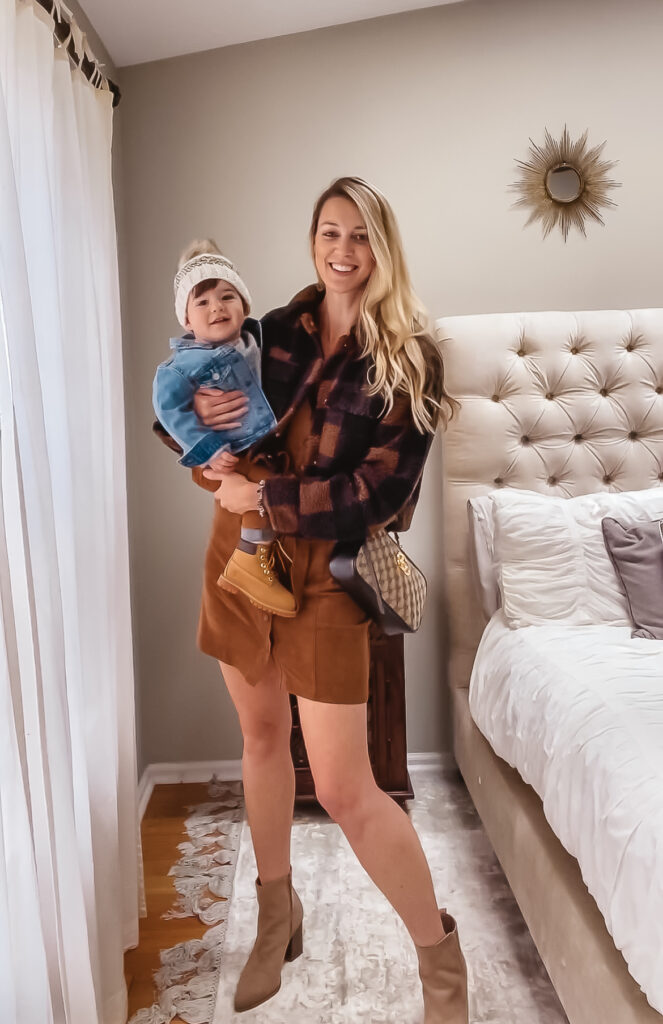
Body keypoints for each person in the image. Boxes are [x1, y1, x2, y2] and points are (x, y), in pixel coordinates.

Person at [154, 176, 468, 1022]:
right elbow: (185, 397)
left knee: (343, 789)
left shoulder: (411, 353)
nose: (341, 250)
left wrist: (267, 501)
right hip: (239, 563)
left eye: (360, 235)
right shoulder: (276, 327)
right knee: (259, 741)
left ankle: (440, 965)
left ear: (384, 246)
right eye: (329, 231)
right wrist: (202, 443)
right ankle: (276, 913)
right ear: (312, 239)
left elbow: (377, 491)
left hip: (328, 573)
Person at [152, 241, 296, 616]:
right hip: (233, 448)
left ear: (245, 306)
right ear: (187, 321)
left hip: (264, 439)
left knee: (268, 483)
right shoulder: (183, 366)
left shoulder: (258, 339)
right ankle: (250, 557)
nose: (216, 307)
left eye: (227, 296)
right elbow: (169, 409)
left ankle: (257, 555)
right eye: (201, 303)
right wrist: (207, 447)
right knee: (258, 487)